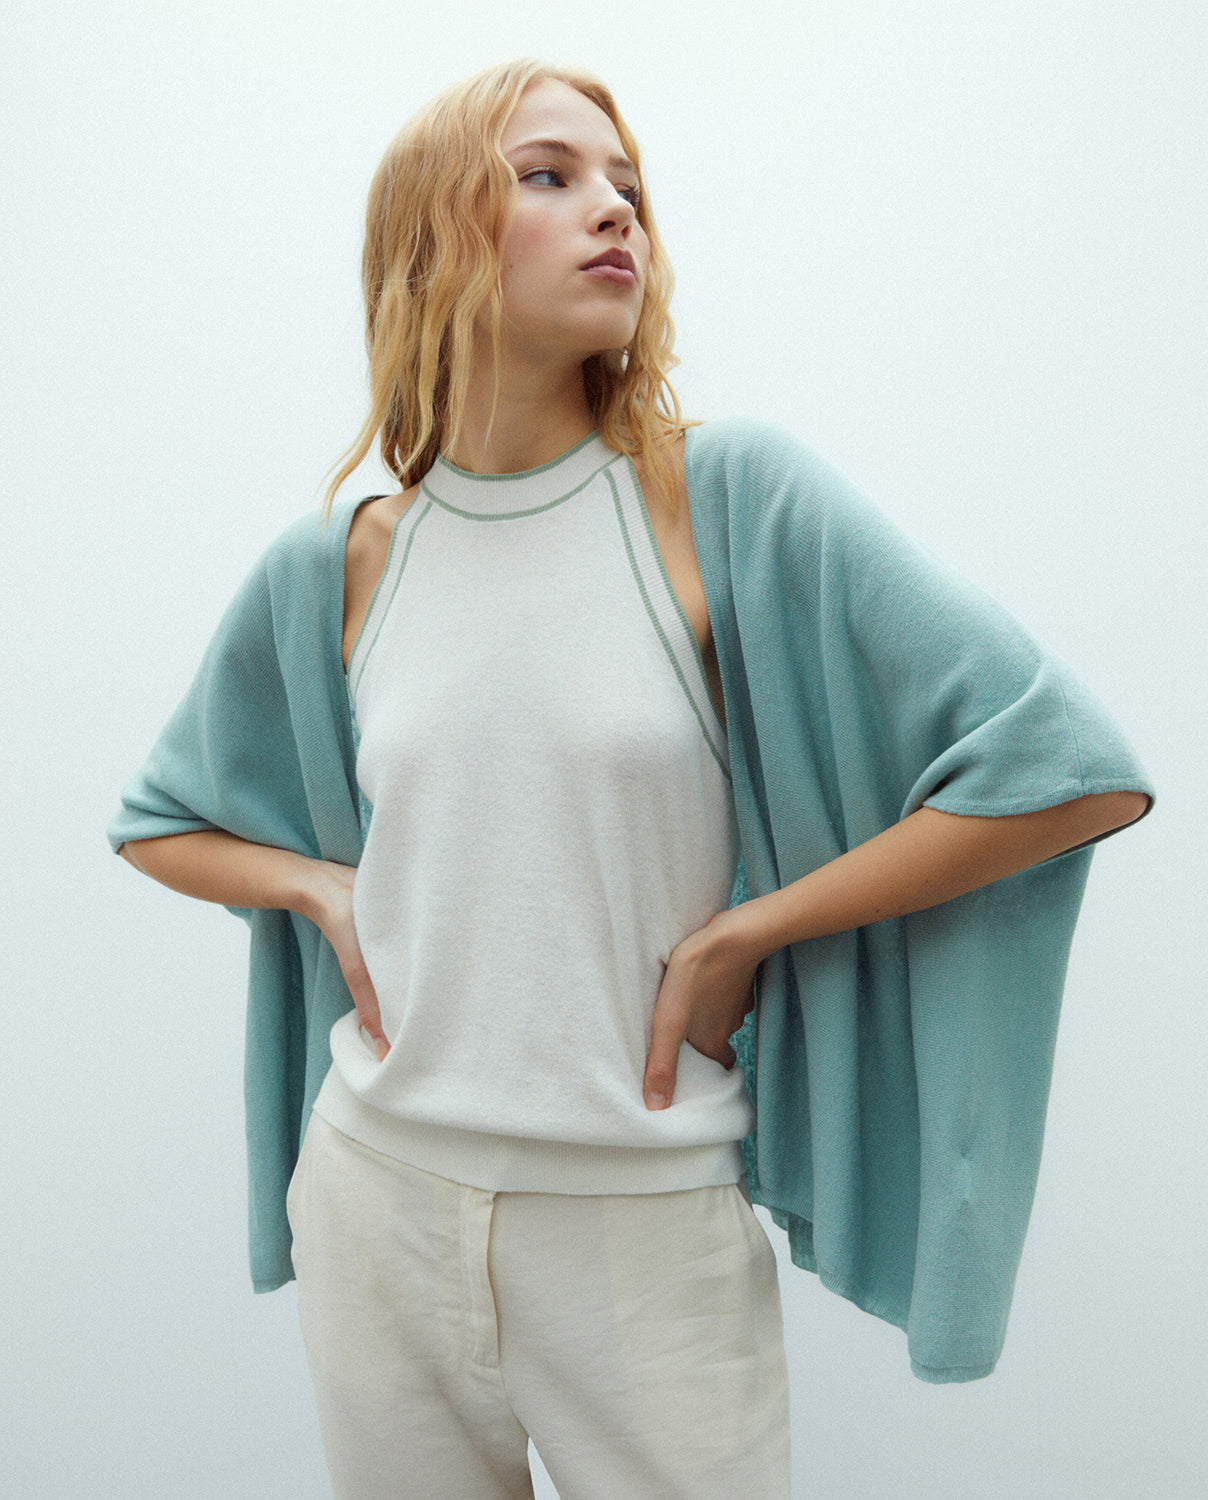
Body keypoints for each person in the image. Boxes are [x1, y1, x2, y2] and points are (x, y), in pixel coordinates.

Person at [109, 58, 1152, 1500]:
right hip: (375, 1197)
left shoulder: (717, 502)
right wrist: (320, 890)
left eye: (629, 187)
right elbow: (160, 821)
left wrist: (749, 932)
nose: (615, 211)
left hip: (642, 1224)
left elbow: (1066, 770)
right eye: (549, 176)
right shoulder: (344, 564)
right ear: (429, 238)